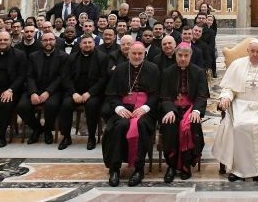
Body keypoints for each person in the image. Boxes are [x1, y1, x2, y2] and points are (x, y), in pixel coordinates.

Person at [213, 39, 258, 182]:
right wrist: (226, 97)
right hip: (241, 105)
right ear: (248, 51)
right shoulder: (236, 65)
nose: (255, 54)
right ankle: (237, 169)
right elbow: (228, 88)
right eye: (252, 51)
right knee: (239, 126)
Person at [103, 43, 161, 187]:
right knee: (120, 125)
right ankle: (114, 169)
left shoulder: (153, 69)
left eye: (140, 53)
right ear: (128, 54)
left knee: (141, 125)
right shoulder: (120, 69)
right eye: (134, 53)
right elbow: (111, 94)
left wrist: (146, 108)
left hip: (145, 110)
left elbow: (156, 95)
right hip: (124, 108)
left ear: (144, 54)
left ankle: (139, 169)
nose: (136, 56)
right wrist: (118, 108)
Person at [159, 42, 209, 183]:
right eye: (180, 55)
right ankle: (171, 166)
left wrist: (197, 111)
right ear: (175, 56)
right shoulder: (168, 72)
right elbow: (164, 96)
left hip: (190, 109)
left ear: (190, 56)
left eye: (186, 55)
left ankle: (186, 164)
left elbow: (202, 95)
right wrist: (169, 110)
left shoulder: (198, 72)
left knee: (192, 125)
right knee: (169, 125)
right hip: (173, 109)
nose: (182, 58)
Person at [59, 34, 110, 150]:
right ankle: (66, 137)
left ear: (94, 44)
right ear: (80, 45)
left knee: (92, 106)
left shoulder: (102, 57)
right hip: (75, 92)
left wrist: (90, 93)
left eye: (89, 43)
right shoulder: (72, 57)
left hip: (94, 93)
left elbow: (104, 79)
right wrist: (73, 93)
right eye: (85, 43)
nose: (87, 45)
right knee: (65, 105)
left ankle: (91, 137)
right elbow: (66, 78)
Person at [18, 31, 67, 145]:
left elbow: (61, 77)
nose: (48, 42)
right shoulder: (33, 56)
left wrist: (48, 92)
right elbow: (29, 76)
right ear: (41, 42)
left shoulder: (63, 56)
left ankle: (47, 130)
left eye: (51, 39)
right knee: (21, 107)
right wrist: (33, 92)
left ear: (55, 41)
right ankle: (37, 128)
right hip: (35, 88)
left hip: (54, 91)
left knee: (51, 105)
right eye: (45, 40)